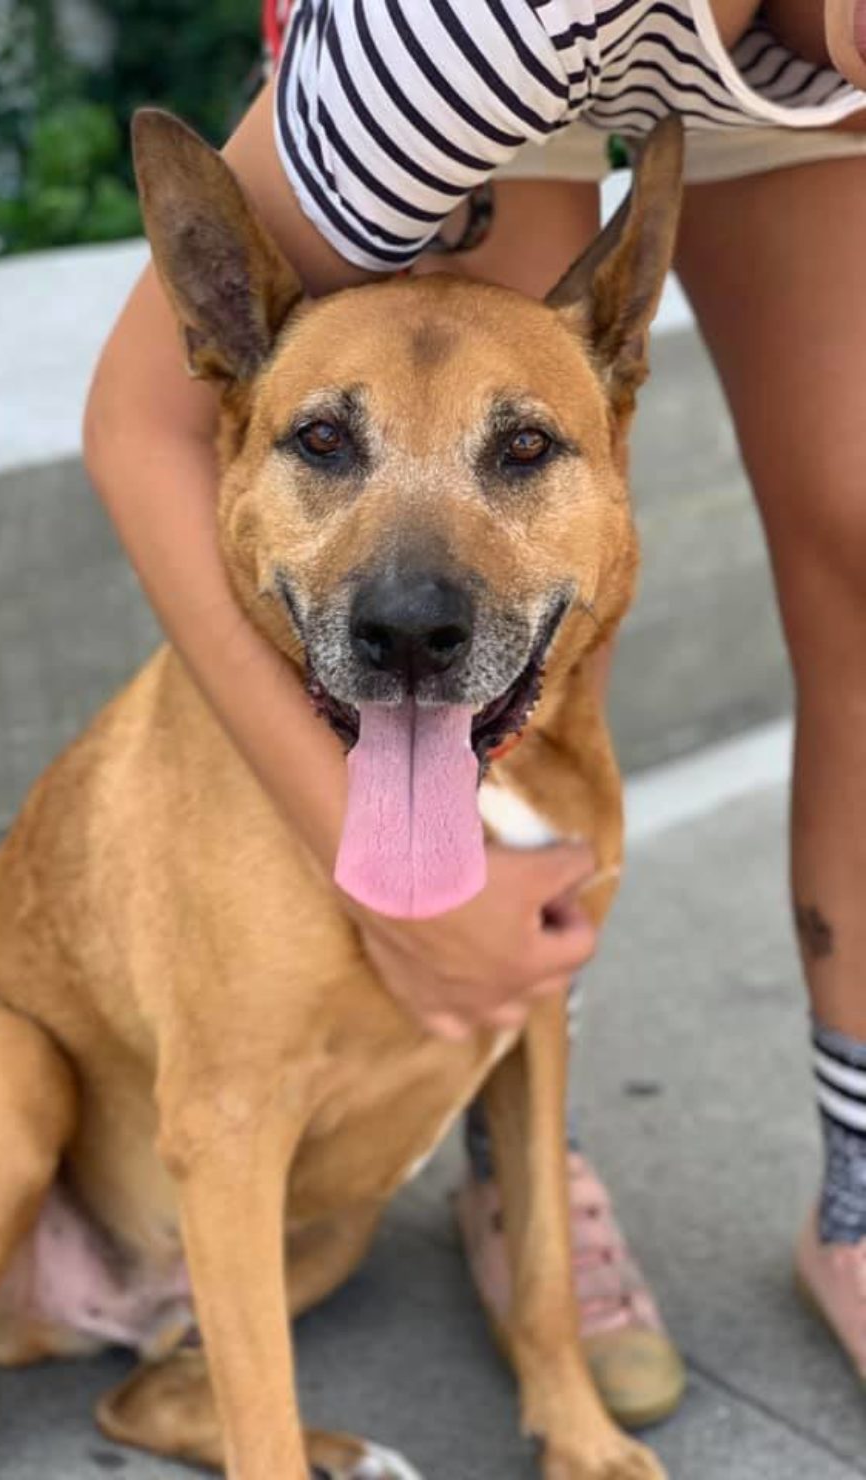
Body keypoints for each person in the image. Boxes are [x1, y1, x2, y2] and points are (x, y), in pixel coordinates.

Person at [84, 0, 866, 1428]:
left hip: (782, 80)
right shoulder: (473, 35)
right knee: (450, 623)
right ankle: (511, 1167)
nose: (413, 601)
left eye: (525, 451)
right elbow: (141, 423)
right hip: (503, 73)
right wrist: (384, 872)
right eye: (320, 448)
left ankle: (859, 1194)